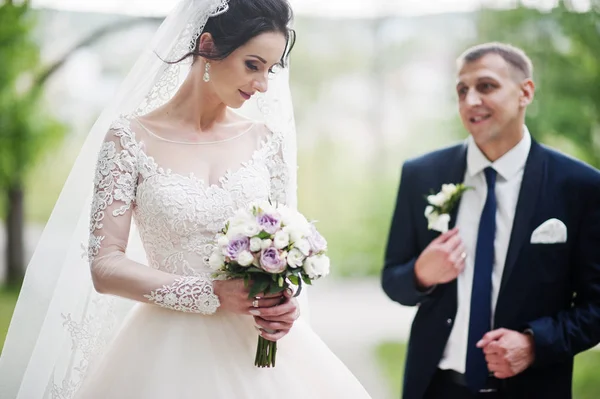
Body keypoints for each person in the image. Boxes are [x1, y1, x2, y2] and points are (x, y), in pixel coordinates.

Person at [0, 1, 372, 398]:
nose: (263, 84)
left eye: (271, 69)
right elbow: (105, 265)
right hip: (165, 353)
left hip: (261, 361)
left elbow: (282, 248)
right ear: (208, 46)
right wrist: (209, 294)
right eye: (253, 65)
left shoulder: (267, 142)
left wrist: (283, 303)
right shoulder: (128, 140)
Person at [381, 42, 600, 399]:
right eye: (462, 90)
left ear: (525, 92)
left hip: (532, 388)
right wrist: (422, 274)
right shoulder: (421, 174)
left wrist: (534, 344)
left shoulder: (581, 186)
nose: (470, 101)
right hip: (435, 386)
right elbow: (393, 280)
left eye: (486, 86)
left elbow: (596, 306)